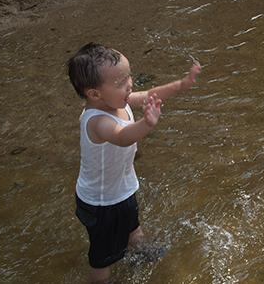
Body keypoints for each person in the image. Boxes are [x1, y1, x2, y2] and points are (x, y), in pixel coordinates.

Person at [69, 43, 202, 284]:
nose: (129, 84)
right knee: (103, 257)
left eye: (128, 76)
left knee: (133, 223)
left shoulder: (119, 102)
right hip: (101, 203)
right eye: (120, 82)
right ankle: (101, 280)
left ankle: (140, 248)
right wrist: (147, 124)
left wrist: (180, 85)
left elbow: (151, 94)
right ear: (94, 94)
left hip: (121, 189)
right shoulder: (97, 121)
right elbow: (122, 136)